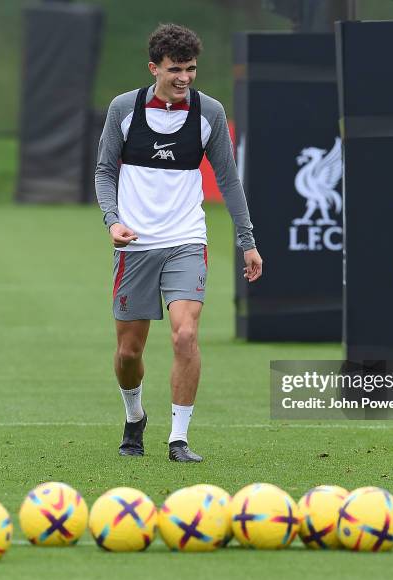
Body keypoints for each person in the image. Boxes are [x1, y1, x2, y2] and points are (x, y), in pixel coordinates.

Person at [95, 23, 262, 463]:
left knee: (185, 335)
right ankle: (135, 417)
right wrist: (112, 221)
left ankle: (178, 439)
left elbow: (229, 181)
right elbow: (104, 171)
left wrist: (248, 241)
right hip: (134, 245)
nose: (184, 77)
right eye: (174, 70)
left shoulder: (209, 113)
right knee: (129, 351)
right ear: (154, 68)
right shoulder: (123, 109)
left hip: (187, 240)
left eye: (190, 69)